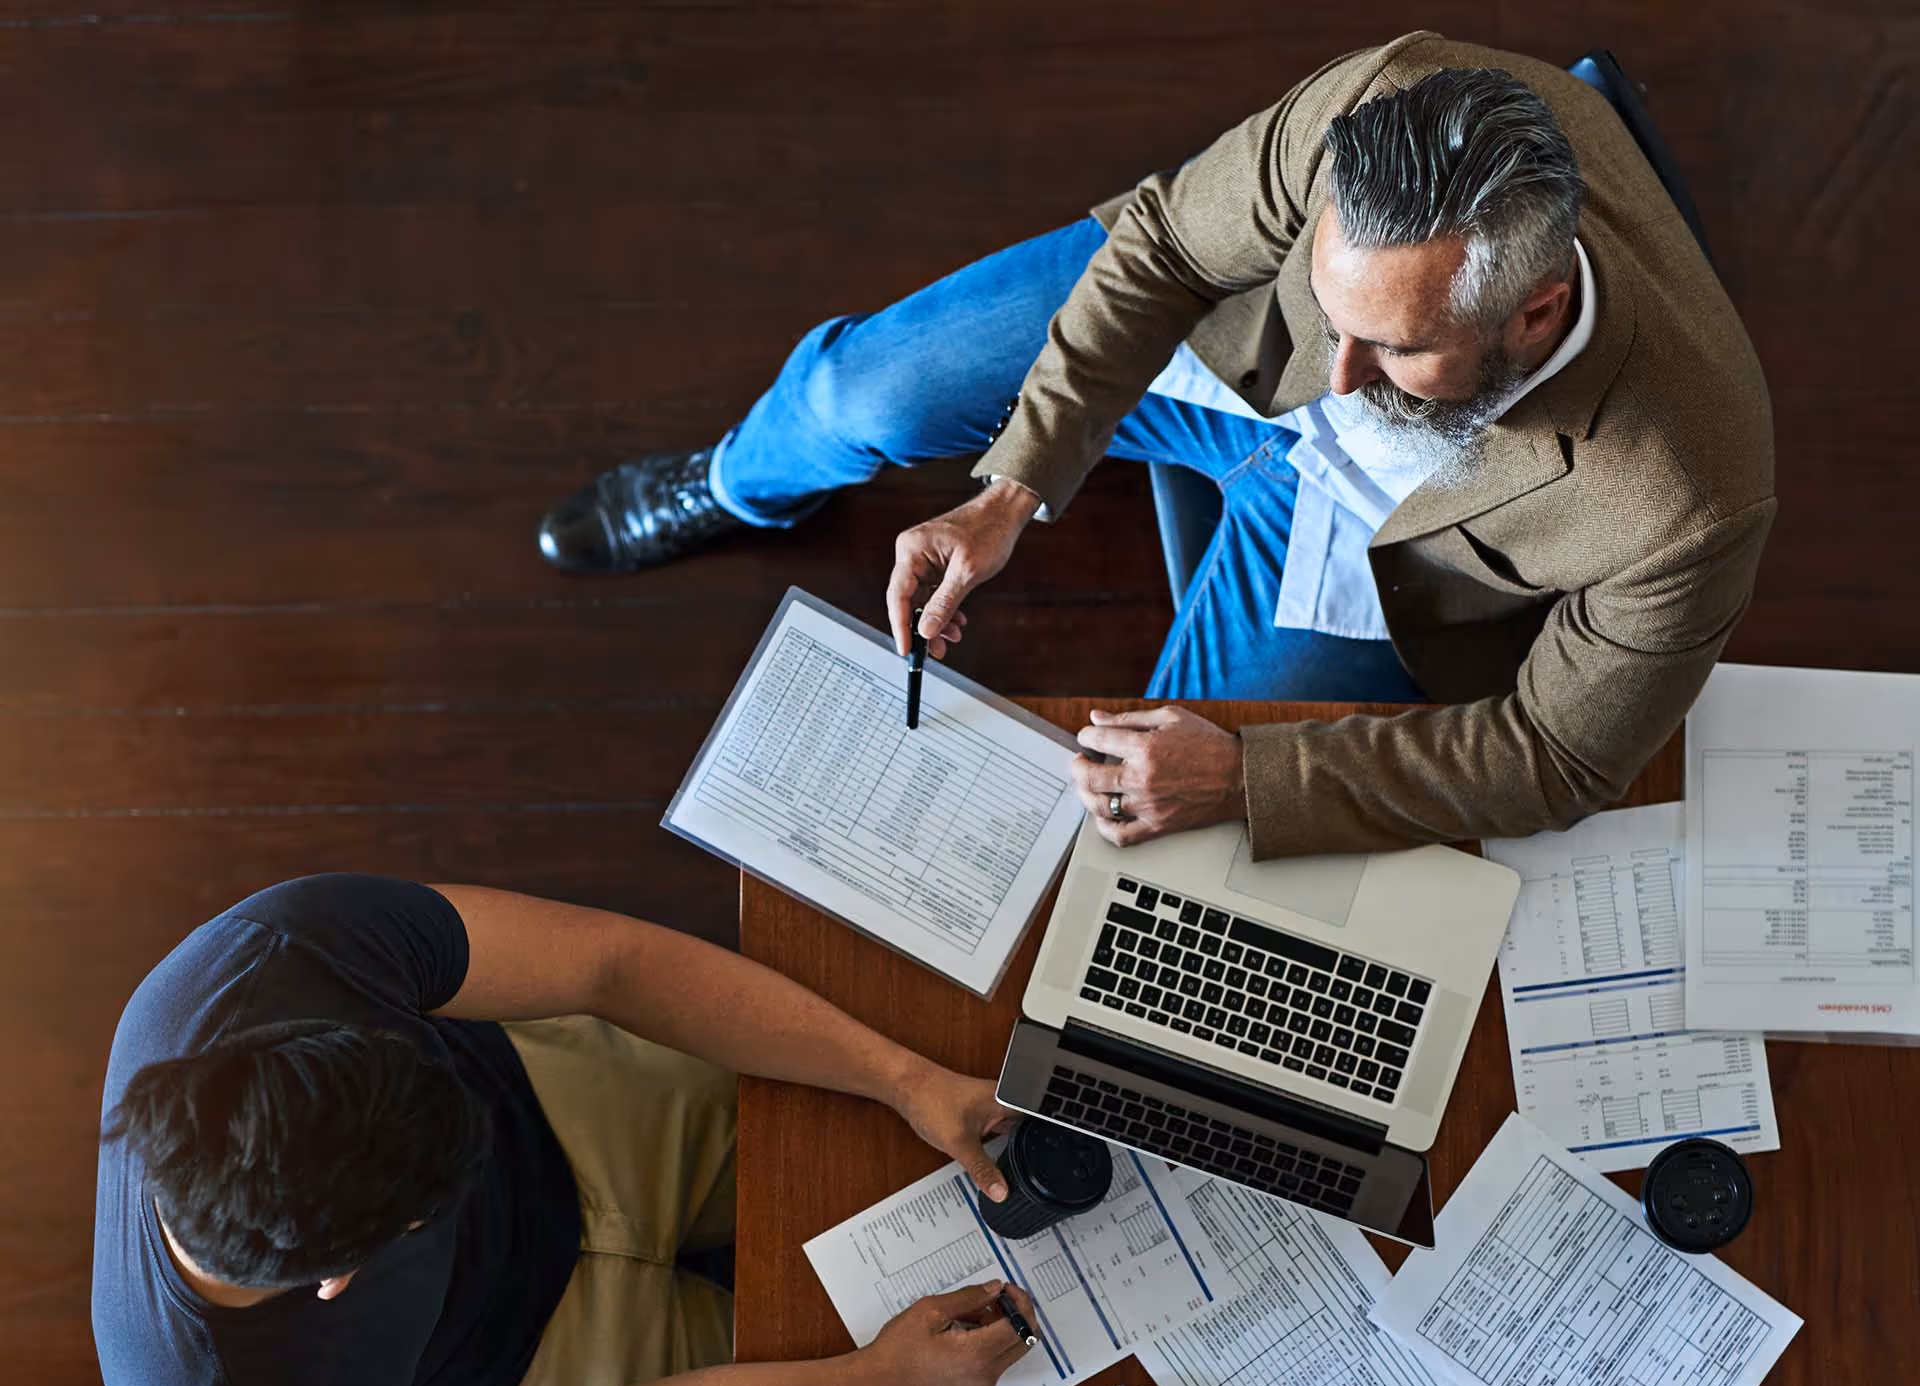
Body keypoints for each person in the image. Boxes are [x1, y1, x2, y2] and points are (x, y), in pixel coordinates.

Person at [536, 34, 1773, 859]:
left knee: (1156, 783)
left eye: (1391, 353)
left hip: (1381, 552)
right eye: (1332, 312)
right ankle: (739, 484)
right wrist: (1016, 483)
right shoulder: (1382, 104)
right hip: (1220, 363)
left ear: (1537, 315)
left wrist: (1244, 782)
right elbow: (1175, 250)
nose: (1333, 386)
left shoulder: (1688, 500)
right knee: (870, 394)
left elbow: (1557, 756)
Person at [92, 873, 1037, 1386]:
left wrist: (903, 1080)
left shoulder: (269, 954)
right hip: (527, 1377)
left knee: (858, 1105)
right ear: (342, 1275)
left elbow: (609, 967)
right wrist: (874, 1382)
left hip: (544, 1099)